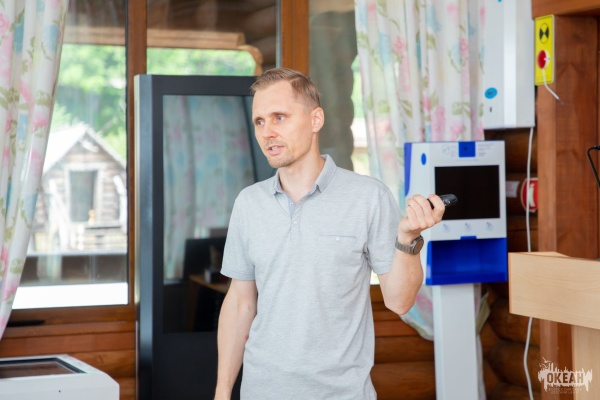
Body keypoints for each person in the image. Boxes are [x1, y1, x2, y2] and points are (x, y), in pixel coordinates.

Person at [214, 68, 445, 400]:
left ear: (315, 119)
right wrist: (222, 392)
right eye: (260, 121)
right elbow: (240, 304)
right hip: (261, 390)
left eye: (279, 117)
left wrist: (408, 239)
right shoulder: (248, 203)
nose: (267, 132)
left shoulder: (369, 197)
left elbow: (399, 301)